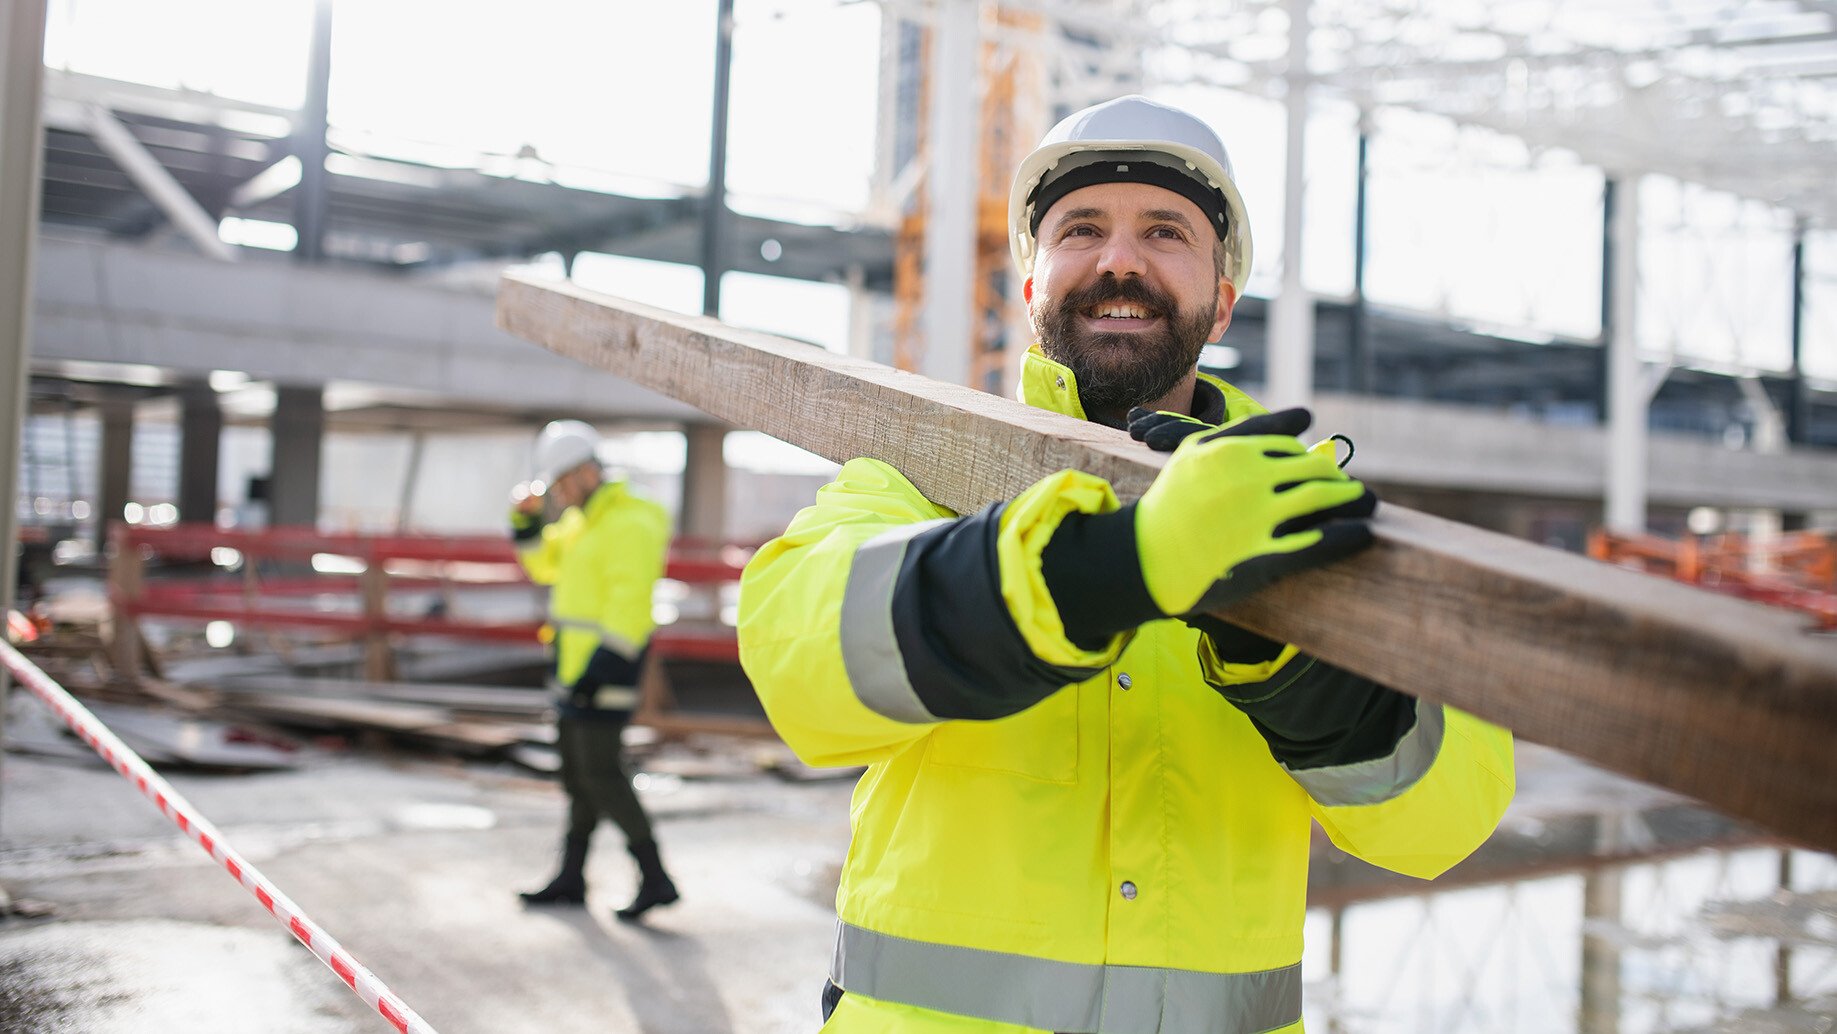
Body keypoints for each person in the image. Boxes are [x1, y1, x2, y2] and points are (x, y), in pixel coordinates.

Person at [737, 96, 1514, 1032]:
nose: (1118, 260)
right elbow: (802, 666)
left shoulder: (1299, 527)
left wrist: (1291, 657)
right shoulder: (918, 480)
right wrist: (1112, 567)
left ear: (1220, 301)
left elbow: (1442, 823)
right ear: (1029, 288)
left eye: (1163, 232)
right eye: (1080, 229)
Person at [512, 419, 680, 921]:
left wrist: (603, 667)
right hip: (573, 670)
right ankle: (570, 876)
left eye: (563, 483)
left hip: (606, 670)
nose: (558, 494)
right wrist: (525, 523)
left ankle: (655, 878)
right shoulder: (581, 522)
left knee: (602, 774)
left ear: (587, 473)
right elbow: (542, 566)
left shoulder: (630, 520)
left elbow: (631, 602)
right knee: (577, 774)